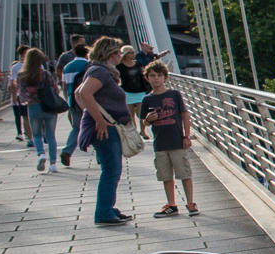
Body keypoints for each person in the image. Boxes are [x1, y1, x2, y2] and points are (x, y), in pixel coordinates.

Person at [75, 37, 133, 225]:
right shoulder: (99, 71)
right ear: (109, 54)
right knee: (111, 169)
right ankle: (103, 212)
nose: (120, 56)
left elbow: (79, 93)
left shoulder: (99, 70)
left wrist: (92, 113)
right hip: (105, 130)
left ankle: (108, 207)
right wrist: (98, 120)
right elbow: (83, 93)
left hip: (108, 127)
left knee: (111, 168)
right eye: (117, 53)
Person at [140, 60, 199, 218]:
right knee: (166, 176)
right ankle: (171, 204)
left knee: (184, 173)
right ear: (147, 78)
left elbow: (184, 115)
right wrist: (148, 119)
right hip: (160, 143)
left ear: (165, 77)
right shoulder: (147, 100)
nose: (156, 79)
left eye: (159, 76)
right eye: (152, 76)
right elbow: (144, 123)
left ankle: (190, 202)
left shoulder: (174, 94)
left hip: (176, 141)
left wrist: (186, 135)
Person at [17, 48, 61, 173]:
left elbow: (21, 95)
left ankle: (41, 154)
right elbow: (55, 89)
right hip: (49, 106)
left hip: (33, 107)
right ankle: (53, 164)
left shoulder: (22, 75)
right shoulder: (45, 74)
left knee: (36, 135)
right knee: (51, 136)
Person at [116, 45, 150, 138]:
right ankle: (134, 132)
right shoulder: (119, 66)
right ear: (126, 54)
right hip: (127, 92)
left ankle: (143, 131)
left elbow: (144, 74)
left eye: (133, 52)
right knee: (130, 115)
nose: (133, 54)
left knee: (142, 113)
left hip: (140, 91)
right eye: (131, 52)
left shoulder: (137, 63)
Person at [9, 45, 33, 144]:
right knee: (26, 117)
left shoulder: (36, 64)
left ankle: (40, 134)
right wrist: (14, 96)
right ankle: (30, 139)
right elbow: (13, 82)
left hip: (36, 95)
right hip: (22, 95)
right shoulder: (16, 67)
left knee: (36, 117)